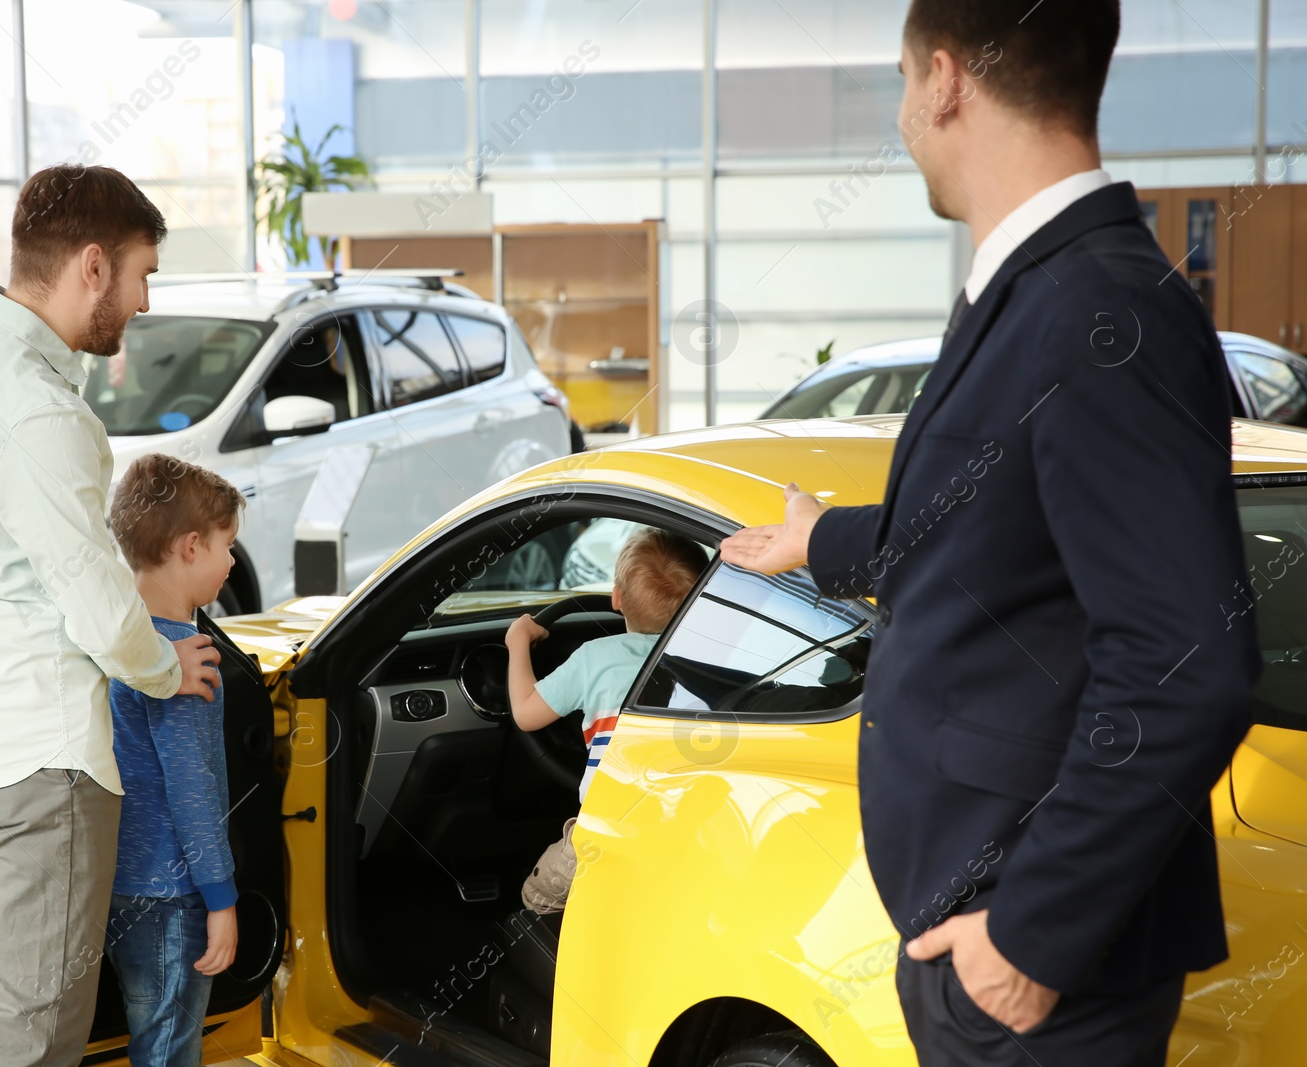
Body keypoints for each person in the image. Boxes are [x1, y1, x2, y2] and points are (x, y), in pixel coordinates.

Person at [721, 2, 1259, 1063]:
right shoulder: (1039, 288)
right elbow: (997, 524)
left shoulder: (1097, 310)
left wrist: (1030, 937)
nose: (905, 116)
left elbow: (1187, 666)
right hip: (986, 938)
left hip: (1039, 967)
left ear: (945, 78)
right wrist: (825, 539)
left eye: (902, 84)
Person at [0, 165, 224, 1067]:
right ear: (90, 265)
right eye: (142, 273)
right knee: (31, 1031)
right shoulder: (41, 412)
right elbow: (98, 606)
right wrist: (167, 667)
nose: (144, 300)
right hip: (34, 759)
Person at [103, 453, 246, 1067]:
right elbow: (193, 787)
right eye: (227, 544)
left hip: (117, 882)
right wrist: (221, 899)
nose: (233, 561)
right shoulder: (183, 659)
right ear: (190, 547)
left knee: (146, 1032)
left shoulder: (119, 643)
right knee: (168, 1047)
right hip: (172, 889)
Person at [506, 527, 707, 913]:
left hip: (606, 831)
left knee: (537, 897)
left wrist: (518, 640)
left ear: (616, 598)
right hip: (686, 823)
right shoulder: (719, 664)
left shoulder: (594, 656)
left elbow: (526, 712)